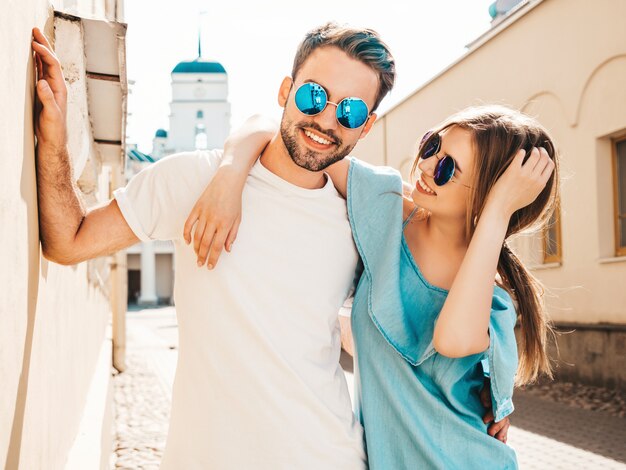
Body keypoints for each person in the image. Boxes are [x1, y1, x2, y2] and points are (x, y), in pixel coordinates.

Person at [31, 21, 508, 468]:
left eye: (350, 110)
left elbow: (448, 268)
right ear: (286, 91)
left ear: (366, 127)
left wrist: (492, 390)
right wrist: (54, 141)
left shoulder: (364, 212)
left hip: (331, 456)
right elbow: (69, 242)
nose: (326, 119)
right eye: (314, 95)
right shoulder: (192, 178)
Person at [185, 105, 558, 469]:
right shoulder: (386, 205)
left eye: (447, 168)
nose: (426, 166)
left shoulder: (492, 301)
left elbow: (452, 339)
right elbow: (276, 130)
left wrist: (498, 213)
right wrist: (228, 179)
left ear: (492, 196)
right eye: (432, 146)